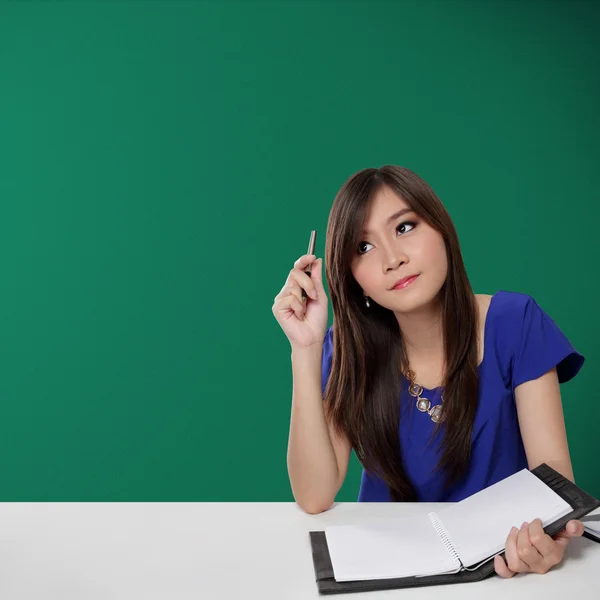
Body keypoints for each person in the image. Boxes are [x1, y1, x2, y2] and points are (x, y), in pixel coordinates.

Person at [272, 165, 587, 578]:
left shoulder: (515, 323)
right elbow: (314, 496)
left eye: (404, 227)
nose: (392, 259)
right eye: (363, 248)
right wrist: (306, 349)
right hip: (389, 571)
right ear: (353, 280)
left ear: (441, 228)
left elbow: (553, 486)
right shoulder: (349, 350)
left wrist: (544, 543)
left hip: (502, 574)